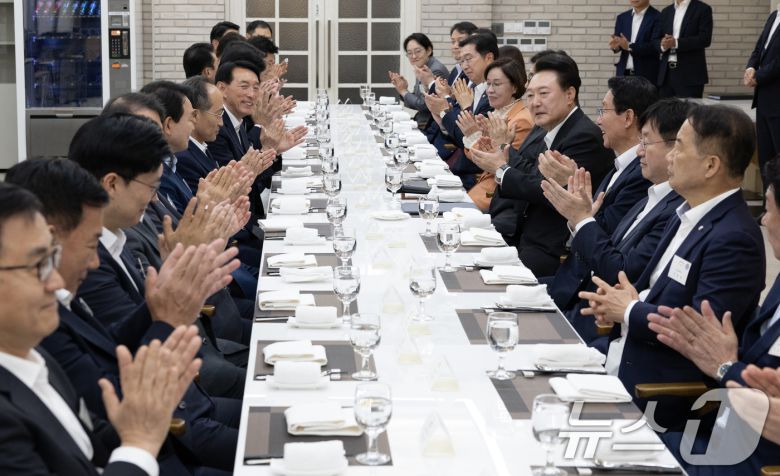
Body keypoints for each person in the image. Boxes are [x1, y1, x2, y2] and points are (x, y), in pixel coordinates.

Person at [579, 104, 766, 429]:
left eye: (679, 146)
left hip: (658, 391)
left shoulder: (734, 238)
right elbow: (656, 293)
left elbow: (698, 332)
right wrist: (617, 303)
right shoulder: (686, 214)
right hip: (620, 354)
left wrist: (628, 310)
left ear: (710, 165)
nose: (669, 157)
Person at [0, 182, 202, 476]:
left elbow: (87, 450)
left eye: (52, 261)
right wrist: (139, 443)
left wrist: (137, 418)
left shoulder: (35, 360)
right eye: (38, 266)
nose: (55, 282)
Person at [644, 156, 780, 475]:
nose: (764, 220)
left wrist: (726, 366)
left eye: (770, 209)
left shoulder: (732, 237)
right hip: (721, 438)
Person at [546, 99, 688, 348]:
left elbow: (620, 271)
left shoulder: (675, 209)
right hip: (582, 299)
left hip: (601, 323)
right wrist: (581, 219)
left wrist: (582, 219)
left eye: (646, 142)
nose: (640, 151)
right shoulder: (652, 193)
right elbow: (606, 243)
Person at [469, 53, 614, 276]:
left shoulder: (584, 136)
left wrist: (501, 167)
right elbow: (530, 169)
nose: (535, 102)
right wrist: (502, 151)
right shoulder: (544, 125)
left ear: (569, 94)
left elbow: (544, 189)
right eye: (530, 95)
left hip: (550, 247)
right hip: (520, 229)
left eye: (544, 94)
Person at [454, 57, 533, 211]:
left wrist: (474, 136)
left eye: (496, 84)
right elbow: (476, 157)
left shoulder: (521, 121)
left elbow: (501, 165)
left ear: (515, 87)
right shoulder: (497, 113)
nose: (489, 90)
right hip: (483, 185)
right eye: (488, 84)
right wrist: (477, 137)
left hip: (497, 194)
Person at [426, 33, 499, 189]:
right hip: (459, 165)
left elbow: (467, 137)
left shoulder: (494, 95)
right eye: (461, 61)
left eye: (468, 59)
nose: (464, 66)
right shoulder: (471, 87)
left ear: (489, 58)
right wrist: (440, 117)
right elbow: (458, 132)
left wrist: (446, 111)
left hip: (474, 176)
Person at [745, 6, 780, 191]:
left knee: (778, 161)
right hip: (764, 100)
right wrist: (751, 67)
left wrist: (758, 77)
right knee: (766, 159)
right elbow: (760, 47)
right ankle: (769, 209)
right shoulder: (774, 15)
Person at [388, 33, 449, 127]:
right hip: (421, 120)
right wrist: (404, 89)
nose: (413, 56)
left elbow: (425, 105)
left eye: (417, 51)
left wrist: (404, 92)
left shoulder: (435, 70)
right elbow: (420, 100)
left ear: (428, 50)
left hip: (431, 125)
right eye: (409, 53)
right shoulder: (422, 67)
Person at [656, 0, 713, 98]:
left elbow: (705, 39)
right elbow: (657, 38)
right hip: (666, 75)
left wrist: (676, 43)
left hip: (690, 75)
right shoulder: (666, 11)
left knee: (689, 112)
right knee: (664, 112)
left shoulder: (703, 9)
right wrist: (662, 44)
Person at [610, 0, 661, 82]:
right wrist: (616, 47)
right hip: (623, 74)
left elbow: (655, 47)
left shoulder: (658, 17)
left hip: (646, 76)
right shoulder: (622, 18)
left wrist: (629, 46)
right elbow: (619, 43)